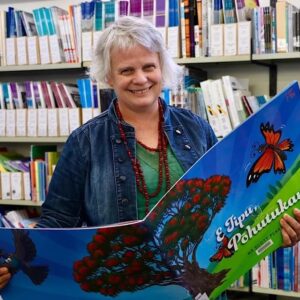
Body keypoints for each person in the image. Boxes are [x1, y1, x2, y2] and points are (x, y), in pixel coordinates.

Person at [1, 16, 300, 292]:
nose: (141, 79)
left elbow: (233, 208)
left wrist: (274, 229)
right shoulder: (85, 142)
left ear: (162, 67)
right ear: (108, 76)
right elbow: (55, 223)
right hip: (129, 292)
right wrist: (11, 266)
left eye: (148, 67)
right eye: (126, 70)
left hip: (199, 290)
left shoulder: (197, 129)